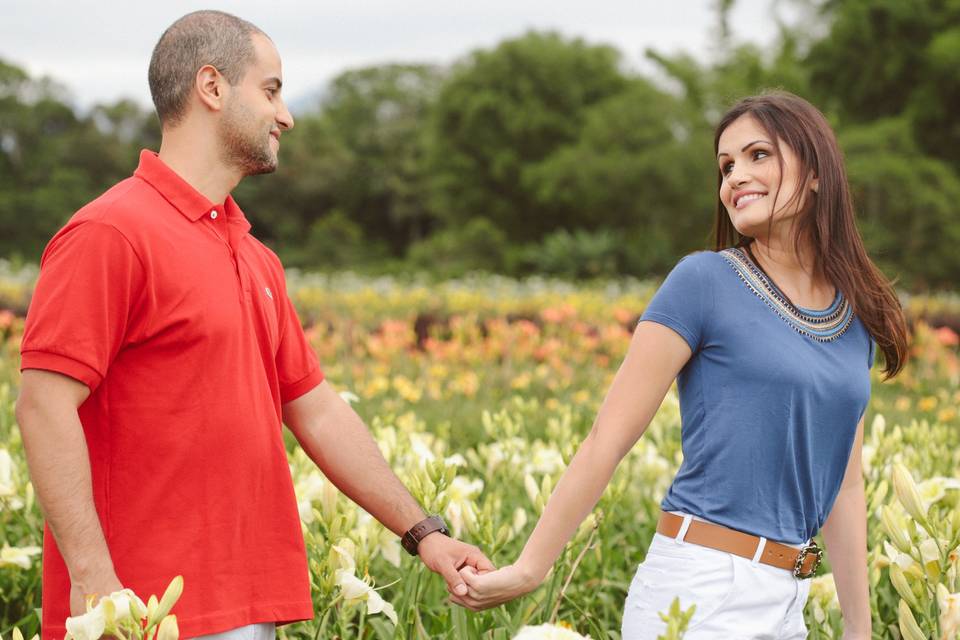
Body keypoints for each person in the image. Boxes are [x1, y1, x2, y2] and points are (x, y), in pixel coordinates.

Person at [15, 10, 492, 640]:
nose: (286, 115)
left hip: (249, 605)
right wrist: (94, 579)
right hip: (137, 611)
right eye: (270, 90)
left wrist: (424, 533)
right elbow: (44, 405)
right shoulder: (110, 234)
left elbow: (315, 409)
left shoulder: (255, 254)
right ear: (211, 88)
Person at [450, 91, 908, 639]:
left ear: (815, 172)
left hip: (790, 601)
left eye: (758, 155)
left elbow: (844, 486)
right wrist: (530, 569)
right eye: (726, 165)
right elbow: (608, 438)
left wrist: (860, 629)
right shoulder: (702, 282)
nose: (736, 175)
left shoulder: (853, 316)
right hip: (700, 587)